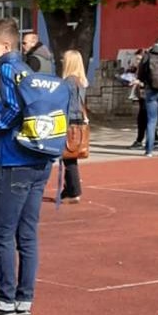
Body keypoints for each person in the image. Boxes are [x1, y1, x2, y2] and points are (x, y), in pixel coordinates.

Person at [0, 18, 54, 315]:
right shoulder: (29, 72)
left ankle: (4, 303)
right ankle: (23, 306)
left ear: (6, 46)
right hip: (39, 161)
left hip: (15, 162)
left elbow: (12, 112)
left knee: (2, 233)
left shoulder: (7, 69)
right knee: (27, 235)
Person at [60, 50, 89, 203]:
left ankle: (74, 190)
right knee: (70, 157)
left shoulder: (68, 82)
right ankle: (69, 188)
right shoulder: (81, 81)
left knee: (69, 157)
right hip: (78, 121)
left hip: (69, 121)